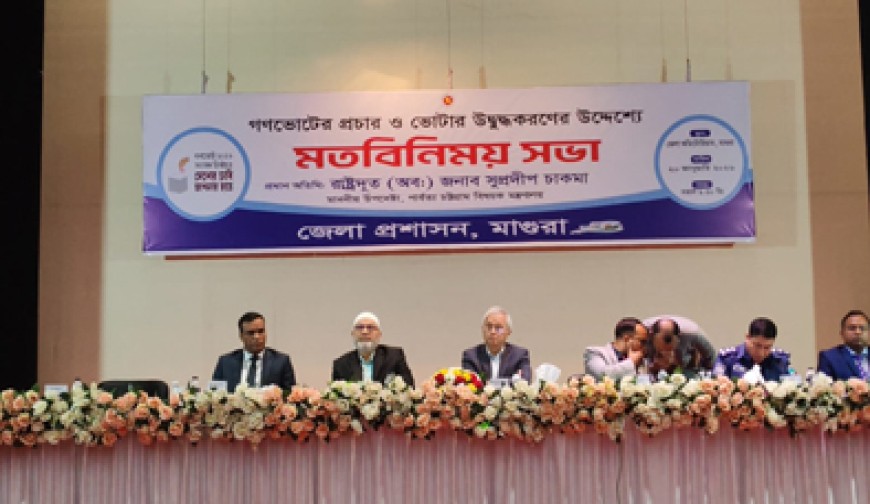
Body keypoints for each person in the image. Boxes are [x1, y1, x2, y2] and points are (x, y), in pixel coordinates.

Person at [212, 311, 296, 391]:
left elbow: (289, 395)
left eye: (261, 331)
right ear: (241, 336)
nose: (257, 337)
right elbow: (214, 395)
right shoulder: (225, 363)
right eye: (251, 333)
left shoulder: (281, 362)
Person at [331, 311, 415, 387]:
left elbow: (409, 388)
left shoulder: (394, 356)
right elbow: (336, 396)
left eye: (370, 327)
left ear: (379, 334)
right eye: (360, 327)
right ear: (352, 334)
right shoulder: (341, 364)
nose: (365, 332)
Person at [461, 306, 531, 383]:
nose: (493, 332)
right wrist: (511, 381)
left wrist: (488, 383)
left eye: (498, 328)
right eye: (489, 327)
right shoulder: (471, 356)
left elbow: (523, 382)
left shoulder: (520, 355)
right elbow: (470, 384)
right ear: (482, 329)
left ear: (508, 331)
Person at [713, 317, 790, 381]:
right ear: (747, 337)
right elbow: (716, 388)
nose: (761, 353)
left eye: (767, 347)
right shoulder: (727, 358)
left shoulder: (780, 360)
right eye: (757, 346)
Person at [642, 315, 716, 371]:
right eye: (661, 349)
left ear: (678, 338)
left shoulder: (691, 333)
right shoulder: (642, 332)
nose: (666, 354)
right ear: (651, 335)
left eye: (669, 349)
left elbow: (711, 356)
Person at [817, 309, 870, 380]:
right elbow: (824, 386)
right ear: (842, 333)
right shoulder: (829, 358)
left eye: (862, 328)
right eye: (852, 328)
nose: (858, 332)